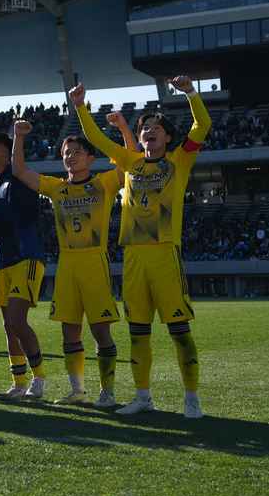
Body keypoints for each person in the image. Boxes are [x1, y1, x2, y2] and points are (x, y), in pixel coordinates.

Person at [72, 76, 211, 418]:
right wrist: (80, 107)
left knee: (180, 332)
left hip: (164, 253)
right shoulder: (130, 162)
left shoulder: (180, 160)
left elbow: (202, 125)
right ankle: (142, 396)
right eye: (144, 127)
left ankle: (192, 398)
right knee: (138, 333)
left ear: (167, 137)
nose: (149, 131)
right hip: (133, 255)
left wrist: (190, 92)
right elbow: (95, 138)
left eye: (155, 128)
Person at [11, 118, 133, 407]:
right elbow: (19, 170)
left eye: (77, 151)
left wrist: (123, 130)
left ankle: (107, 391)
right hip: (67, 263)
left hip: (94, 260)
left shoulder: (103, 183)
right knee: (69, 330)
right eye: (67, 152)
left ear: (90, 158)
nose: (71, 156)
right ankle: (77, 390)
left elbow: (130, 162)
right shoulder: (56, 188)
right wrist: (18, 137)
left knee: (100, 330)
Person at [0, 131, 48, 401]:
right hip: (3, 260)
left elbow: (29, 214)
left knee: (17, 321)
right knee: (9, 325)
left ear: (3, 150)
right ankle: (18, 383)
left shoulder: (20, 178)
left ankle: (39, 378)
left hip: (26, 255)